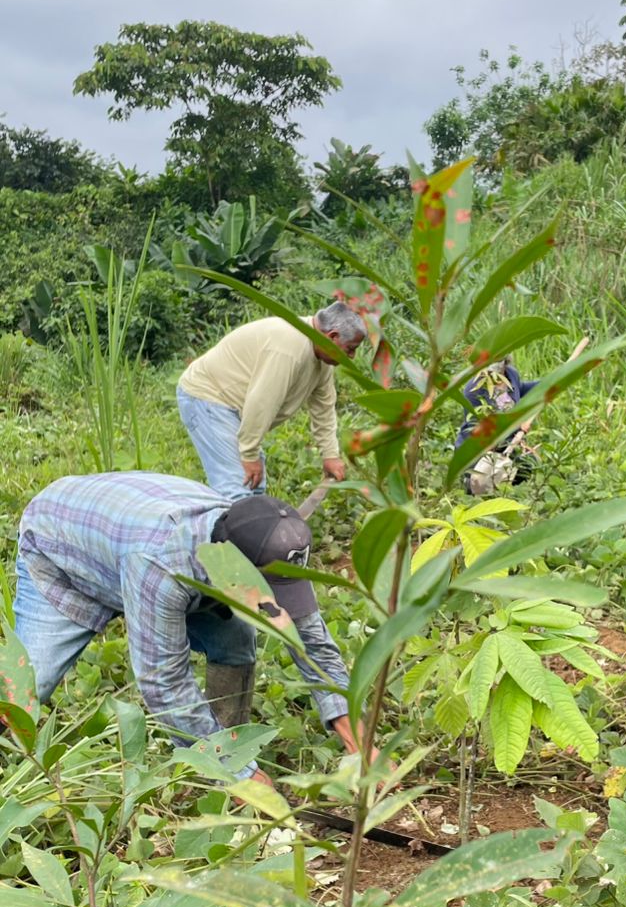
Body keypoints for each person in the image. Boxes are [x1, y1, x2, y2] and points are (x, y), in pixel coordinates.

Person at [12, 472, 360, 784]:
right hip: (59, 547)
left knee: (237, 640)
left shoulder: (260, 541)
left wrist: (355, 732)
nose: (273, 603)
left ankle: (226, 745)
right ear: (233, 570)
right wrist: (235, 773)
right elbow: (164, 681)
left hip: (125, 539)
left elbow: (311, 641)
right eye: (265, 593)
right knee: (24, 689)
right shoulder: (162, 563)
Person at [176, 301, 367, 501]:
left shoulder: (322, 357)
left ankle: (250, 518)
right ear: (332, 337)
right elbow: (262, 402)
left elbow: (324, 409)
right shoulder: (289, 348)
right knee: (238, 489)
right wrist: (249, 454)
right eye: (350, 349)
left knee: (254, 487)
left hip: (238, 408)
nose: (352, 356)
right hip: (209, 398)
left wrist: (330, 455)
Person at [455, 360, 538, 495]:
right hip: (480, 450)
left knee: (529, 463)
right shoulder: (474, 390)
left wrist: (550, 382)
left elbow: (520, 388)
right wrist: (518, 426)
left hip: (507, 445)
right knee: (481, 486)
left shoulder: (511, 374)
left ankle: (509, 495)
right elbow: (478, 430)